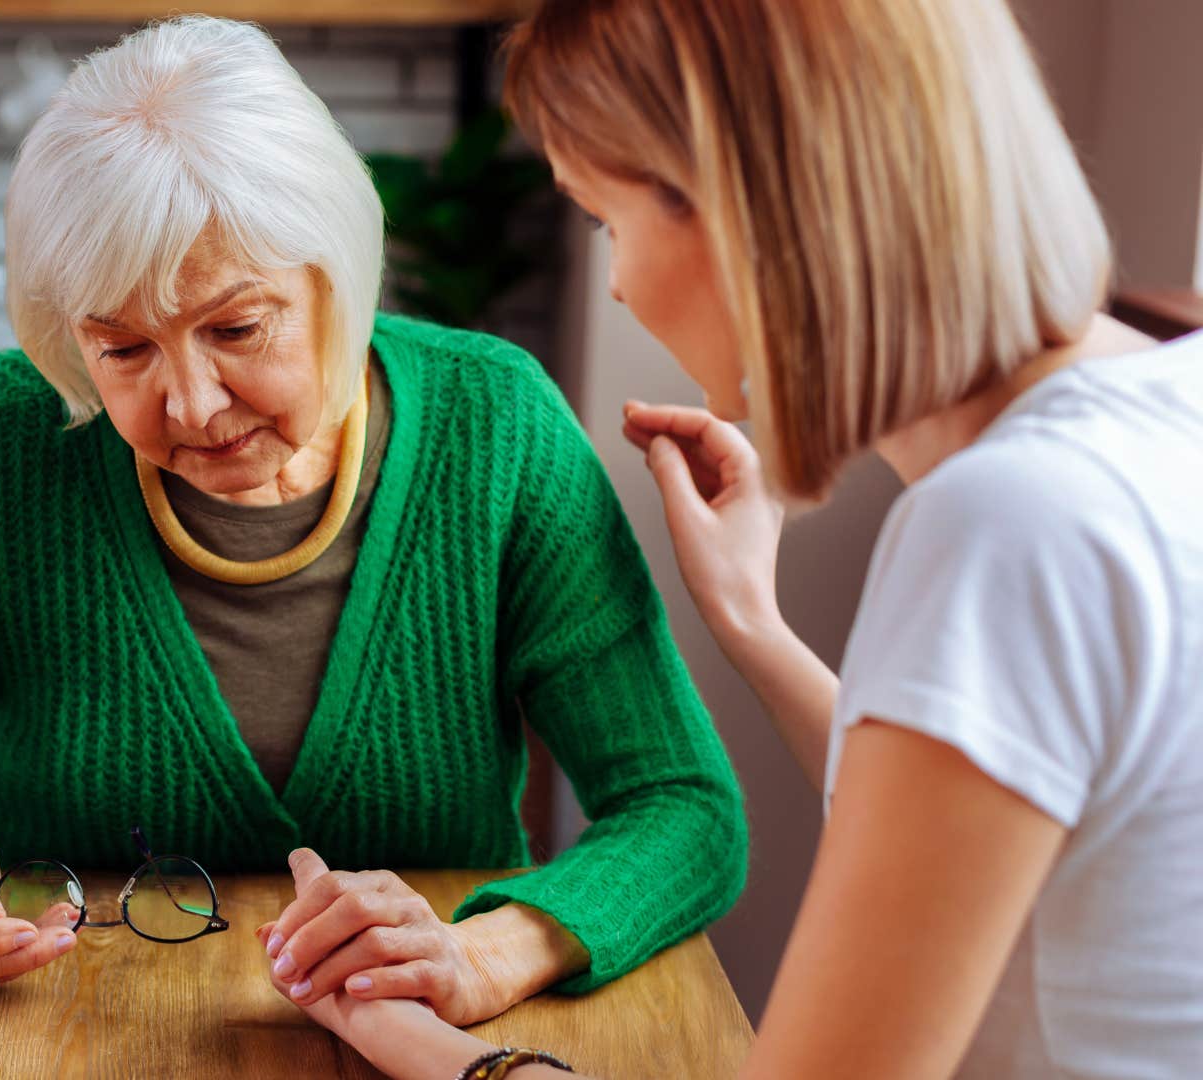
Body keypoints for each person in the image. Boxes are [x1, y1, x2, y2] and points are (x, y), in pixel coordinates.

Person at [0, 14, 745, 1015]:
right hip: (44, 1040)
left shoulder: (497, 427)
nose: (190, 403)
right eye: (125, 349)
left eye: (237, 327)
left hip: (415, 1046)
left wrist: (490, 951)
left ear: (339, 276)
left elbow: (685, 810)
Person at [264, 1, 1203, 1076]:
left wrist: (439, 1052)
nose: (615, 281)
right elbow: (999, 835)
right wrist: (751, 621)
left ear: (753, 209)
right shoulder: (1166, 398)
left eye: (610, 220)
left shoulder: (1008, 525)